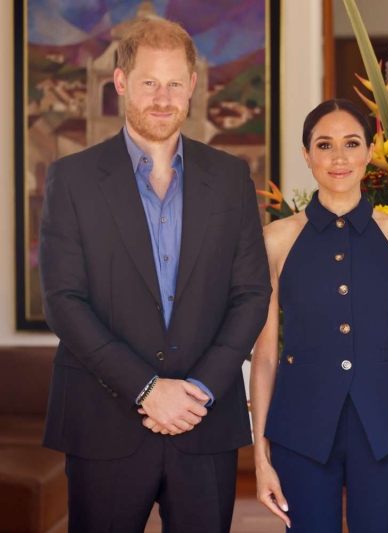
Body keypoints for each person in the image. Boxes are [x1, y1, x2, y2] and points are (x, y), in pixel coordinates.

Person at [38, 18, 270, 532]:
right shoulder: (72, 179)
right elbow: (64, 300)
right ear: (120, 82)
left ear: (192, 86)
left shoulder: (231, 178)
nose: (162, 98)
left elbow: (252, 294)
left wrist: (199, 391)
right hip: (103, 423)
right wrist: (148, 389)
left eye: (174, 83)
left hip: (203, 421)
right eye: (148, 83)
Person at [249, 99, 388, 532]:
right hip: (300, 429)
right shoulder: (274, 240)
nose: (338, 157)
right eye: (324, 144)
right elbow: (265, 356)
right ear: (306, 155)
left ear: (370, 151)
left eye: (351, 143)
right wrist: (260, 458)